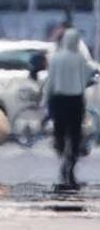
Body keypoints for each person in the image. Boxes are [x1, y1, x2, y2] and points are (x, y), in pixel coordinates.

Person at [43, 28, 95, 187]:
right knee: (75, 132)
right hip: (75, 100)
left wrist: (46, 99)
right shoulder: (80, 59)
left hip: (59, 99)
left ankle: (61, 152)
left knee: (60, 129)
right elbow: (89, 73)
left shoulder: (56, 58)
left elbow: (50, 81)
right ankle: (70, 161)